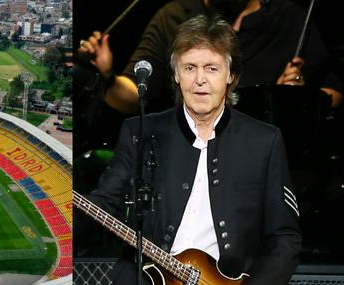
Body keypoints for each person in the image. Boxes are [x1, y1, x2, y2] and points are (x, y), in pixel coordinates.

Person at [75, 15, 302, 284]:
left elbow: (285, 238)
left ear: (231, 75)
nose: (200, 80)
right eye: (190, 67)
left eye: (211, 68)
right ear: (176, 74)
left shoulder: (264, 141)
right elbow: (105, 202)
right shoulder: (140, 132)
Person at [78, 0, 343, 114]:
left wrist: (299, 103)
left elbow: (335, 91)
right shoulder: (173, 16)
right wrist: (108, 77)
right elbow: (133, 97)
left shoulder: (290, 19)